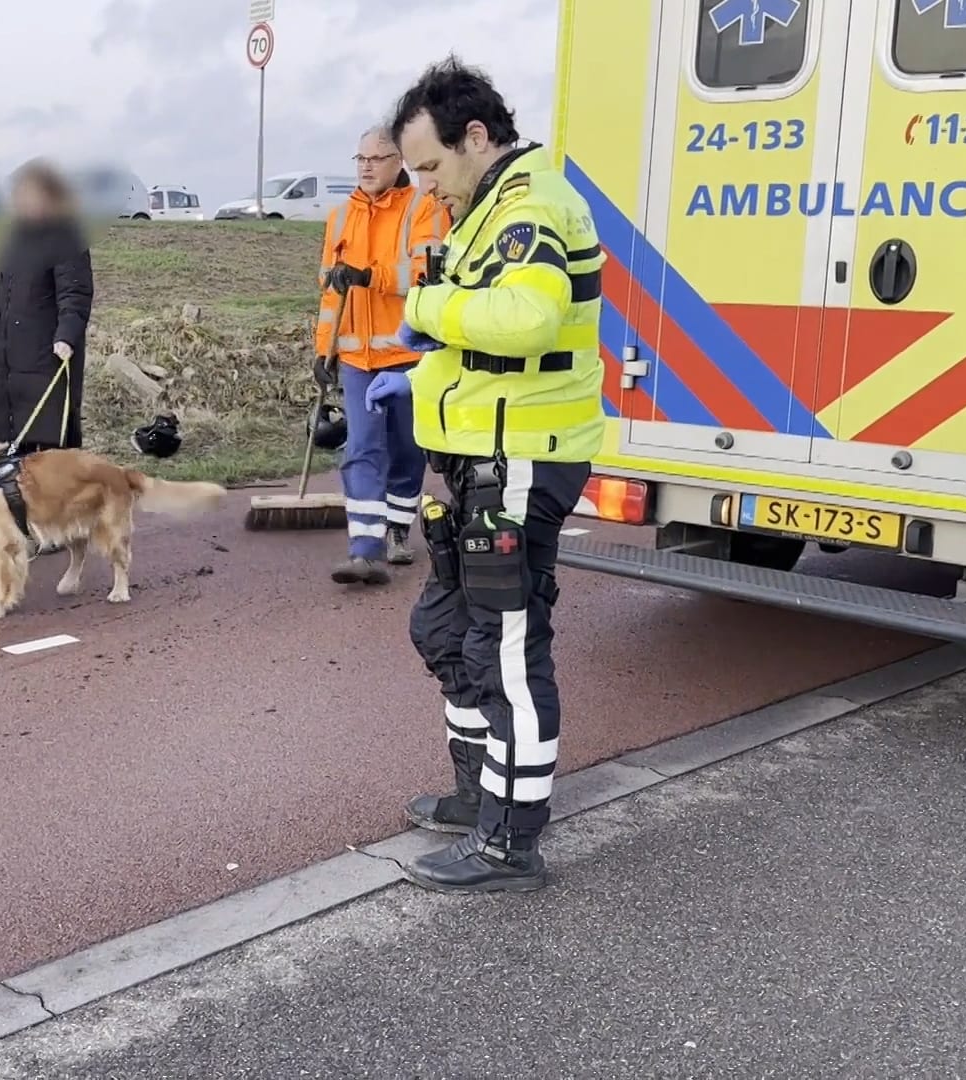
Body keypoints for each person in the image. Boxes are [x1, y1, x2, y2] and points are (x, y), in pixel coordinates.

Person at [366, 56, 606, 894]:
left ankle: (511, 842)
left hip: (522, 461)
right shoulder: (485, 208)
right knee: (445, 630)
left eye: (431, 166)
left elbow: (527, 318)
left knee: (506, 649)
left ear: (477, 137)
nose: (426, 187)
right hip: (481, 461)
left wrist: (423, 307)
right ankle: (478, 797)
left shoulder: (529, 205)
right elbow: (478, 353)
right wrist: (421, 377)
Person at [316, 126, 449, 587]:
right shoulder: (339, 218)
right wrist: (322, 351)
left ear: (399, 162)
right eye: (360, 158)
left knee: (406, 450)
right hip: (355, 358)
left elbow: (425, 278)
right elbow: (330, 295)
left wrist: (368, 275)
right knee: (362, 448)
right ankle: (365, 549)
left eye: (377, 157)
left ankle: (397, 527)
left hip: (408, 354)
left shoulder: (424, 208)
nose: (367, 166)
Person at [0, 159, 95, 456]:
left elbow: (75, 294)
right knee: (7, 457)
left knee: (45, 462)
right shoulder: (12, 242)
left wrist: (66, 336)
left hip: (45, 362)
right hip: (8, 370)